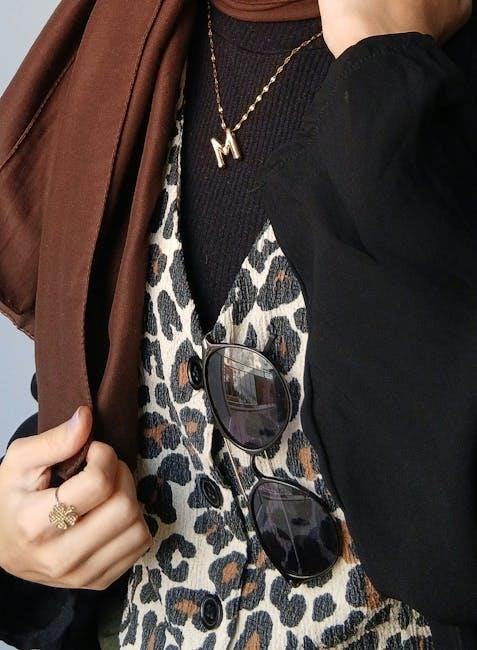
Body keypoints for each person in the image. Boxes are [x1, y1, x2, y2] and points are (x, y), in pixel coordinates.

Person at [0, 0, 475, 648]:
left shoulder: (437, 62)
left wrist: (385, 75)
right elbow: (113, 402)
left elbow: (448, 530)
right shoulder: (124, 44)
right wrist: (24, 529)